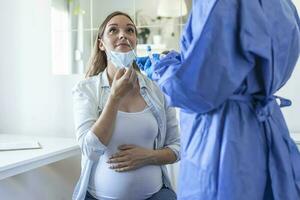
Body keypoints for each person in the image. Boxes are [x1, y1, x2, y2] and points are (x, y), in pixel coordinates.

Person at [136, 0, 300, 199]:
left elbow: (195, 90)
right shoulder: (283, 5)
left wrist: (162, 68)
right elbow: (229, 64)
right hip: (266, 126)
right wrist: (184, 63)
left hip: (224, 138)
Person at [72, 11, 180, 200]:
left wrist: (148, 156)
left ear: (135, 42)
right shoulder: (85, 90)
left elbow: (177, 148)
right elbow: (90, 149)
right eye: (113, 30)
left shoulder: (158, 89)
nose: (123, 34)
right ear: (101, 44)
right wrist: (114, 97)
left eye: (129, 30)